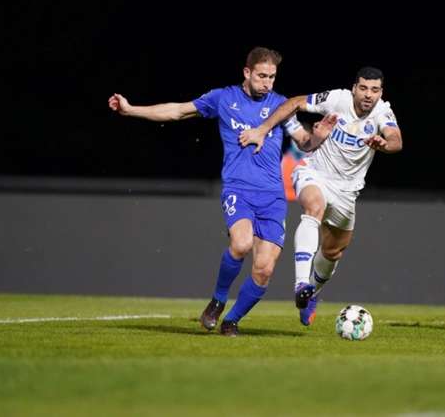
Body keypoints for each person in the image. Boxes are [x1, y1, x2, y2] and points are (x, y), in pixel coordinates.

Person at [107, 47, 334, 336]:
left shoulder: (279, 105)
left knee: (264, 270)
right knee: (240, 244)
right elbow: (178, 110)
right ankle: (217, 300)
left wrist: (318, 137)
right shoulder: (224, 99)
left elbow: (304, 141)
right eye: (262, 76)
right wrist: (131, 110)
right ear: (247, 72)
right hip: (238, 189)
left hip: (273, 197)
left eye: (272, 77)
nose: (268, 82)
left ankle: (232, 321)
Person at [239, 66, 403, 326]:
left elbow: (396, 139)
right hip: (314, 173)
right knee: (314, 206)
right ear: (354, 89)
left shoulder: (383, 111)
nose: (368, 95)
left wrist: (384, 144)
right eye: (363, 88)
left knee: (333, 251)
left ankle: (310, 294)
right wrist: (262, 128)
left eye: (374, 90)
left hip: (348, 192)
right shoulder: (337, 99)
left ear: (380, 92)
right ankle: (301, 283)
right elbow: (295, 103)